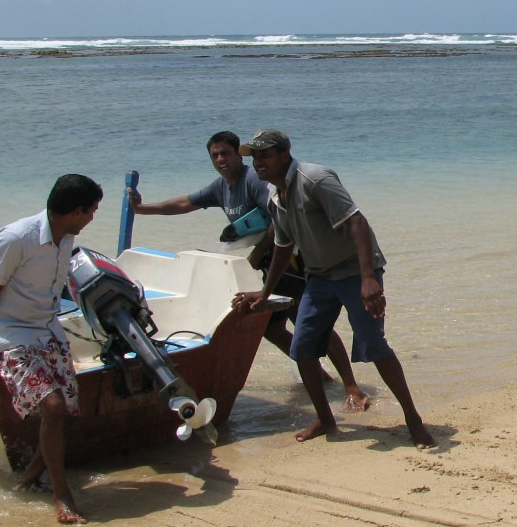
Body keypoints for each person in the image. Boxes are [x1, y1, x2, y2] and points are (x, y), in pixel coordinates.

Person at [129, 130, 368, 411]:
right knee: (271, 329)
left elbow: (280, 218)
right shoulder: (221, 188)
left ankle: (351, 386)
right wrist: (142, 209)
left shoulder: (253, 181)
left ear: (237, 156)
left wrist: (253, 258)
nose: (220, 159)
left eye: (226, 153)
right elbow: (184, 203)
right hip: (265, 268)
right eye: (215, 155)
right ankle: (320, 378)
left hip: (290, 262)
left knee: (314, 325)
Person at [231, 129, 435, 449]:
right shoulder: (275, 196)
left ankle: (413, 420)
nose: (257, 162)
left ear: (284, 153)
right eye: (254, 157)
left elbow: (358, 222)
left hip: (356, 272)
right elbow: (284, 246)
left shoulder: (314, 178)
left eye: (264, 154)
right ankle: (326, 421)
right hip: (320, 276)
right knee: (303, 347)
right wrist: (265, 292)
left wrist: (369, 278)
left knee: (374, 346)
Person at [0, 174, 104, 524]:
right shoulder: (16, 239)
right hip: (12, 335)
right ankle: (62, 495)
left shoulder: (67, 238)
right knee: (53, 404)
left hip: (48, 332)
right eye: (92, 210)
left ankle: (30, 477)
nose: (93, 217)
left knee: (66, 413)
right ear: (76, 211)